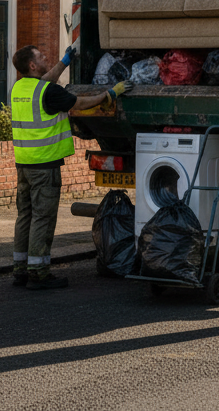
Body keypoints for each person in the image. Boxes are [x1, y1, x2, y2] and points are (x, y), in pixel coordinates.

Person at [9, 45, 131, 290]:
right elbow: (80, 103)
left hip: (24, 164)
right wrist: (110, 95)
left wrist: (65, 62)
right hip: (45, 165)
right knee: (43, 218)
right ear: (32, 65)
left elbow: (46, 81)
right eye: (41, 56)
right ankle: (39, 273)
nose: (46, 57)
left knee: (26, 217)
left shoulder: (20, 88)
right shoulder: (48, 92)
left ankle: (21, 270)